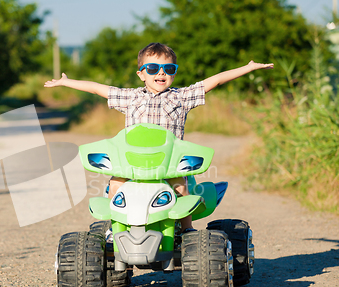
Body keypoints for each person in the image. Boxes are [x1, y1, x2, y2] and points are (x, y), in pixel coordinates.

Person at [44, 42, 273, 234]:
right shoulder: (130, 97)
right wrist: (66, 82)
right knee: (115, 184)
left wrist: (247, 68)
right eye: (153, 68)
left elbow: (215, 81)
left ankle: (187, 229)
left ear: (174, 72)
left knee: (181, 188)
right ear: (141, 74)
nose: (161, 73)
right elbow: (97, 88)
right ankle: (115, 230)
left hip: (169, 163)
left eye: (168, 68)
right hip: (132, 163)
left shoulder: (181, 97)